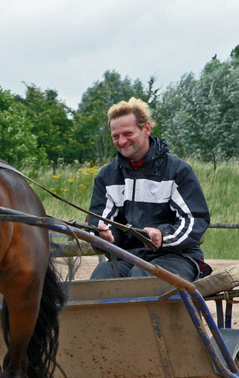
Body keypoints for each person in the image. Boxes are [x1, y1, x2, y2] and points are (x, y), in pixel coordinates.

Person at [87, 97, 210, 280]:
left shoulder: (177, 170)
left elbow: (194, 220)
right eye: (115, 136)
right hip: (129, 257)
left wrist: (162, 235)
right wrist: (106, 236)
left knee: (141, 277)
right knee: (101, 275)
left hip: (178, 257)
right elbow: (98, 223)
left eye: (128, 133)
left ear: (146, 129)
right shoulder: (107, 176)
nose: (121, 141)